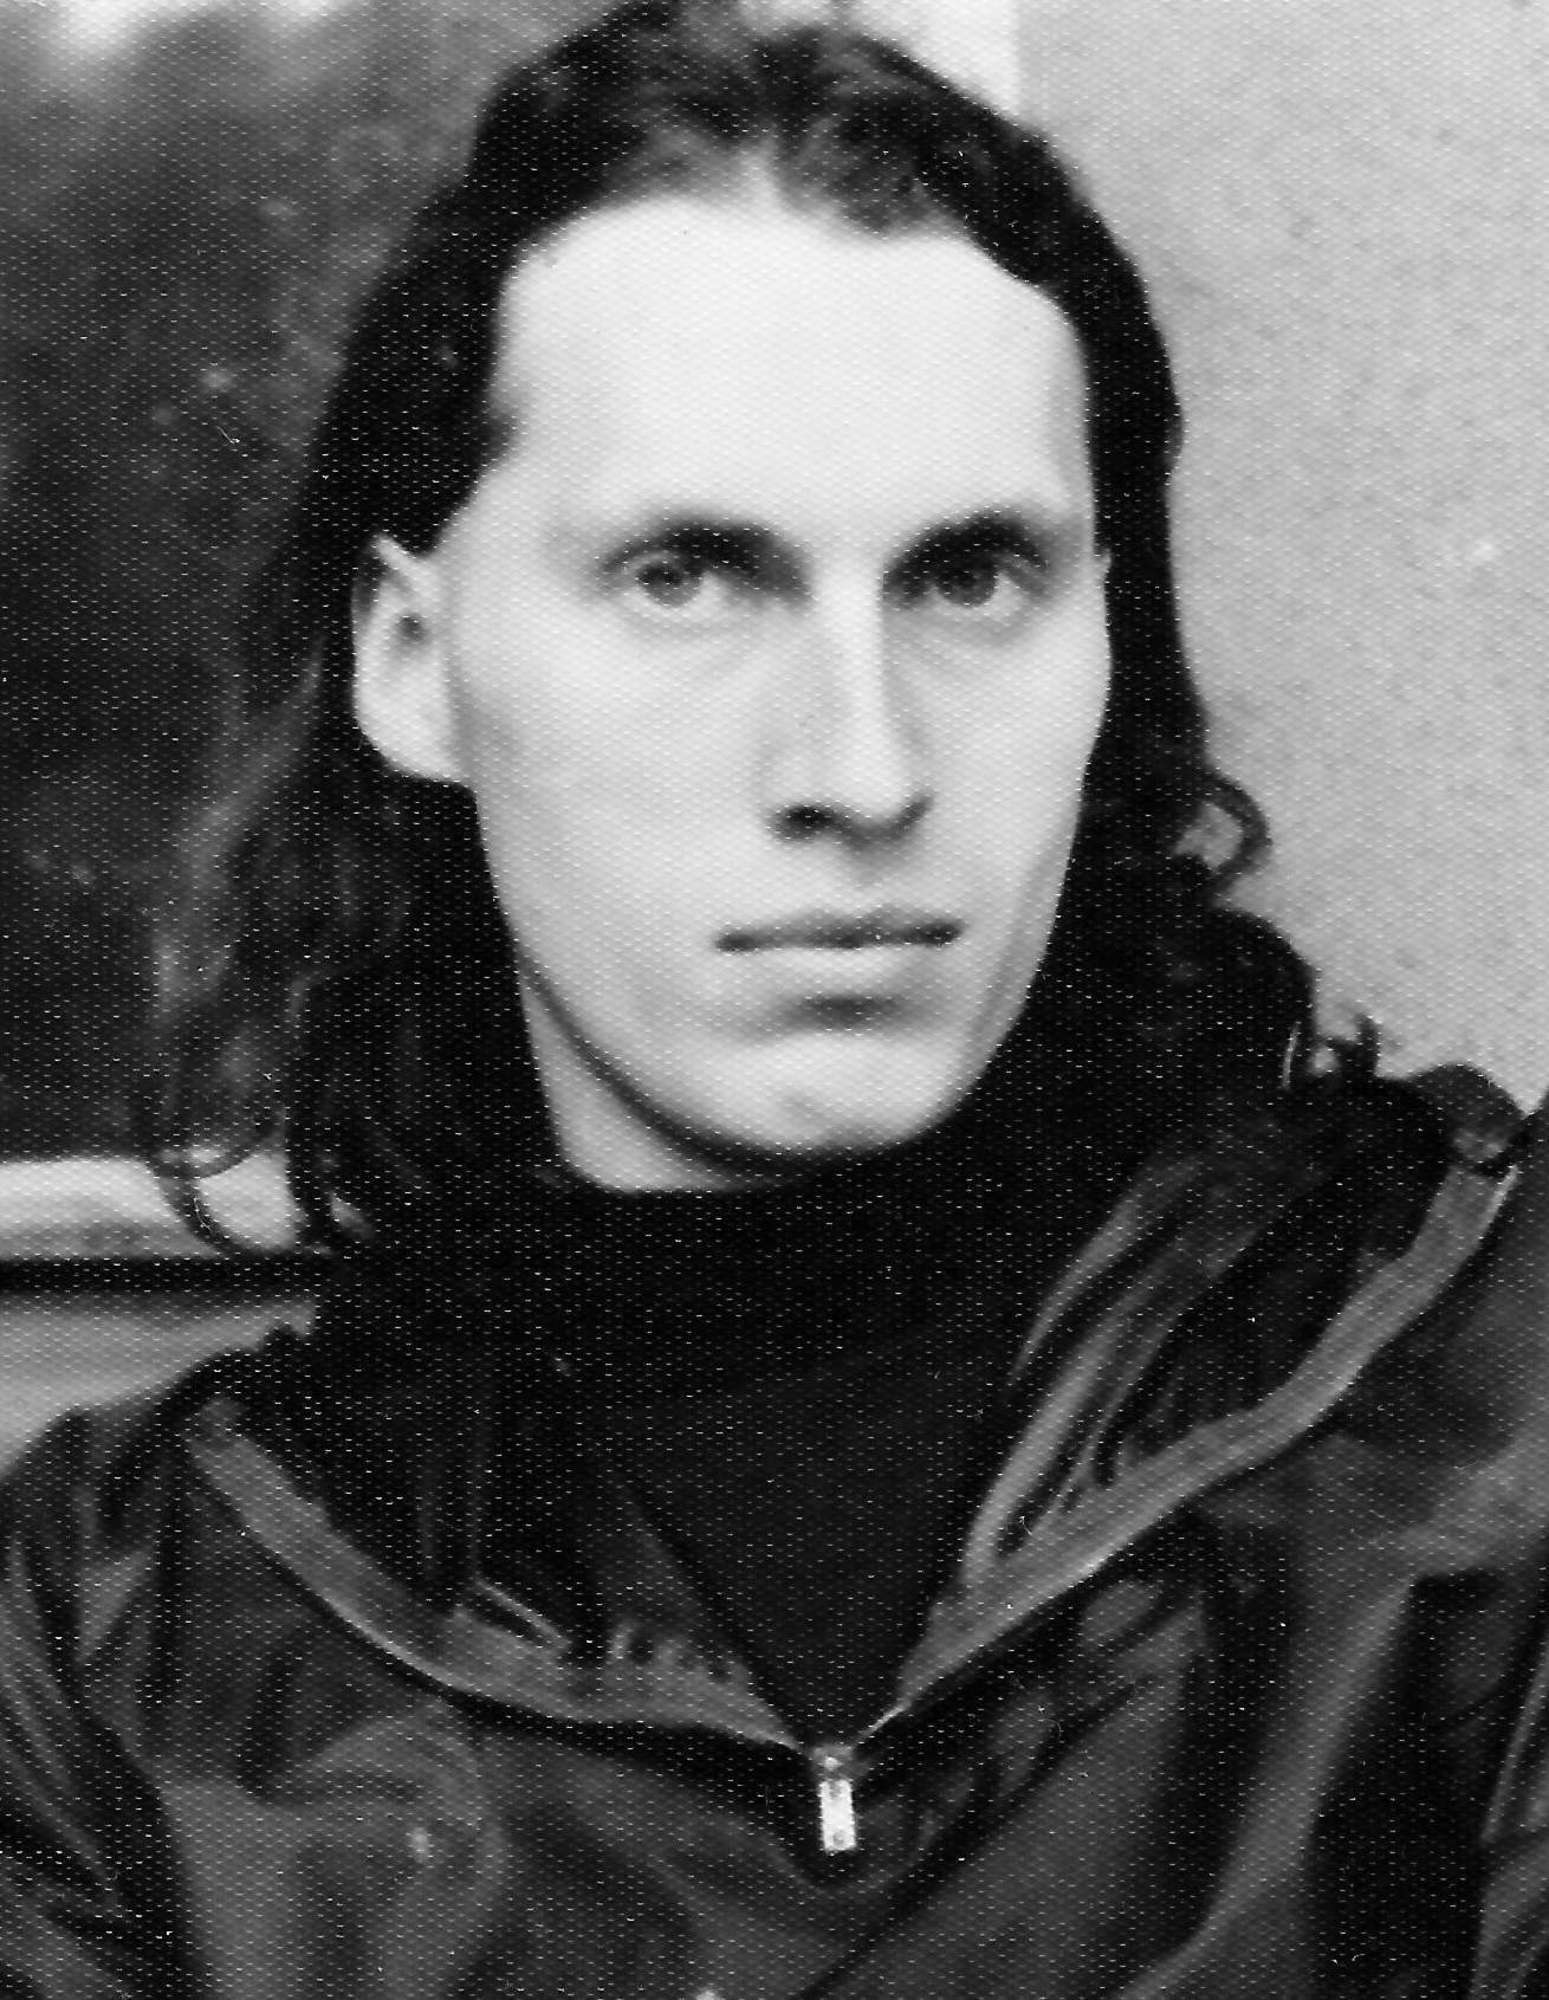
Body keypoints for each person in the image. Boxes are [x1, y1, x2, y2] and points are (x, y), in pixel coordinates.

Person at [2, 1, 1548, 1992]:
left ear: (1108, 642)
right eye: (688, 576)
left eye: (968, 577)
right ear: (412, 663)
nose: (861, 767)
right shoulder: (122, 1631)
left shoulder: (1501, 1394)